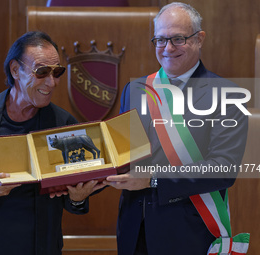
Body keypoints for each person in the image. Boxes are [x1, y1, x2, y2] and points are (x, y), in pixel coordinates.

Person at [0, 31, 105, 255]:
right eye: (42, 72)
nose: (52, 82)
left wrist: (77, 198)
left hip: (38, 246)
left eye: (57, 72)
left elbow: (73, 187)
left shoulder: (64, 124)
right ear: (15, 70)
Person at [104, 2, 249, 255]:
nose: (168, 48)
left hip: (189, 233)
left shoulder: (228, 95)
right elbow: (123, 156)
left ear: (199, 38)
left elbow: (223, 168)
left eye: (178, 39)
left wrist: (153, 179)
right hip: (133, 231)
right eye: (160, 40)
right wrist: (82, 181)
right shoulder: (136, 89)